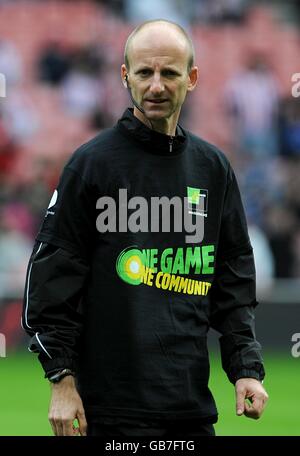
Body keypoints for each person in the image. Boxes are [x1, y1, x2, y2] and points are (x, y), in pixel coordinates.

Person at [22, 19, 268, 437]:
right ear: (125, 76)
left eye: (169, 73)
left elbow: (232, 280)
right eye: (144, 72)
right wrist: (61, 380)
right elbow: (51, 282)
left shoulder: (213, 169)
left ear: (191, 79)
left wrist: (245, 368)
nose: (156, 86)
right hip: (109, 413)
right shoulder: (91, 165)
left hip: (192, 411)